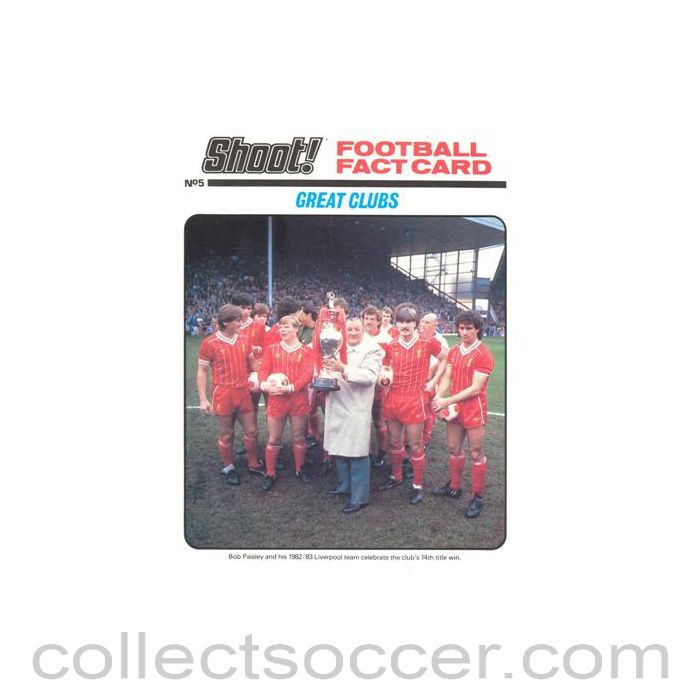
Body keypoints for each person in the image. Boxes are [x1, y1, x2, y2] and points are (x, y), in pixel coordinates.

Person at [379, 303, 447, 504]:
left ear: (415, 324)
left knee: (415, 445)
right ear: (396, 324)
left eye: (409, 321)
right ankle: (396, 476)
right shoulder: (391, 345)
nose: (404, 325)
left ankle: (417, 485)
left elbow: (446, 358)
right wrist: (384, 378)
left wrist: (433, 381)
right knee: (394, 442)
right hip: (393, 398)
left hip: (415, 400)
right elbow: (384, 369)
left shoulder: (427, 342)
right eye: (401, 321)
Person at [431, 310, 495, 518]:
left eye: (469, 328)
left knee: (475, 453)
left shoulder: (483, 354)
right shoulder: (454, 350)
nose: (465, 332)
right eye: (461, 328)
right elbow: (447, 378)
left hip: (474, 408)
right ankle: (455, 486)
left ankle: (477, 496)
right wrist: (439, 399)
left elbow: (476, 388)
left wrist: (447, 401)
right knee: (453, 448)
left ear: (477, 329)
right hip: (455, 408)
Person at [322, 318, 382, 513]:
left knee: (357, 452)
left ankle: (359, 497)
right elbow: (328, 366)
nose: (354, 333)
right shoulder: (338, 344)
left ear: (363, 329)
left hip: (357, 406)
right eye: (350, 329)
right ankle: (344, 486)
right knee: (338, 448)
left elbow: (369, 377)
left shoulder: (373, 349)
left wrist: (343, 368)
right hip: (337, 402)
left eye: (357, 329)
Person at [196, 304, 261, 485]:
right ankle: (228, 466)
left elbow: (252, 363)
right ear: (225, 322)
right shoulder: (209, 343)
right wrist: (203, 399)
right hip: (223, 394)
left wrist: (260, 377)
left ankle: (253, 463)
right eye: (238, 320)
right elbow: (202, 371)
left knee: (252, 431)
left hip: (243, 391)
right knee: (227, 434)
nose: (241, 323)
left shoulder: (244, 339)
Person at [258, 315, 315, 491]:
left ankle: (299, 469)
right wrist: (265, 385)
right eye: (281, 326)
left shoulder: (306, 351)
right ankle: (270, 473)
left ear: (296, 329)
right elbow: (263, 370)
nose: (282, 329)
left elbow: (307, 374)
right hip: (277, 399)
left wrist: (291, 387)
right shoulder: (272, 349)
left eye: (286, 326)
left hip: (297, 400)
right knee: (274, 439)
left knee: (298, 437)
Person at [361, 305, 390, 467]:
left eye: (372, 319)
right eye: (366, 318)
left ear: (379, 321)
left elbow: (389, 364)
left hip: (378, 387)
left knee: (378, 421)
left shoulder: (385, 339)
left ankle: (382, 452)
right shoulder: (360, 336)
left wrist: (383, 379)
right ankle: (366, 451)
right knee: (363, 421)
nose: (369, 321)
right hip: (361, 386)